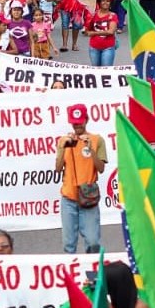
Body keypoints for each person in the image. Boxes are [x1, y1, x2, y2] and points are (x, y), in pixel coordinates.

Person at [54, 103, 107, 254]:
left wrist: (91, 150)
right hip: (69, 199)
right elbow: (58, 168)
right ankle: (72, 276)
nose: (77, 126)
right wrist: (63, 148)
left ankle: (94, 276)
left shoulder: (97, 140)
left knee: (92, 243)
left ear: (86, 120)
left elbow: (101, 168)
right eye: (74, 122)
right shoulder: (64, 141)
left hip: (88, 198)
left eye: (80, 122)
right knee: (68, 244)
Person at [85, 0, 119, 65]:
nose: (105, 3)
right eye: (103, 0)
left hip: (108, 48)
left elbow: (111, 31)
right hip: (94, 47)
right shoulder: (93, 14)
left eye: (108, 1)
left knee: (106, 72)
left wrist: (94, 33)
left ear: (110, 4)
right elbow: (87, 31)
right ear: (99, 2)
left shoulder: (113, 15)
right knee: (96, 71)